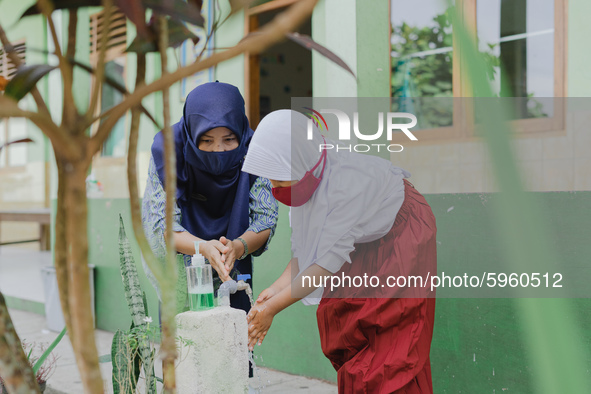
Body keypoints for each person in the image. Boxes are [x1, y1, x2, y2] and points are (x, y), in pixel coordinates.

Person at [242, 110, 437, 393]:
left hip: (400, 233)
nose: (274, 189)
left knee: (391, 336)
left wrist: (273, 308)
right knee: (346, 324)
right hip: (363, 240)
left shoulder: (345, 187)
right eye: (271, 181)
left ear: (299, 167)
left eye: (279, 181)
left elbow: (322, 267)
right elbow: (304, 255)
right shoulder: (305, 179)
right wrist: (274, 289)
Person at [141, 82, 278, 313]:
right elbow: (161, 227)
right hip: (181, 277)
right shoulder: (168, 152)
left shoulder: (254, 150)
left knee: (234, 335)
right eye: (206, 140)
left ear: (240, 132)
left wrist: (238, 246)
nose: (219, 149)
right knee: (183, 344)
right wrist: (202, 247)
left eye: (228, 139)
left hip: (234, 266)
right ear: (192, 134)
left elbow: (266, 218)